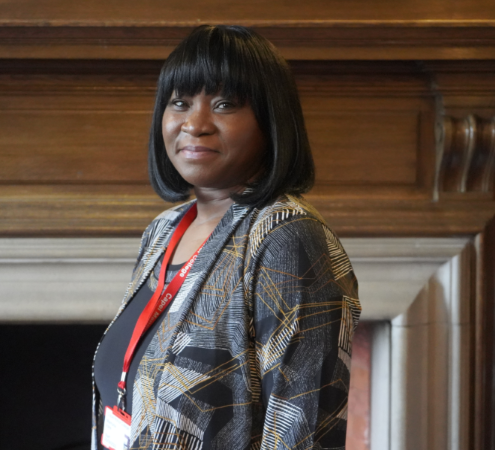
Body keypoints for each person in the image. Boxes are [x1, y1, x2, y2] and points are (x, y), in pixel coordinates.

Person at [92, 25, 360, 450]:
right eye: (180, 103)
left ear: (270, 121)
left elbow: (303, 431)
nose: (195, 124)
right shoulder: (164, 230)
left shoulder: (287, 238)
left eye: (225, 105)